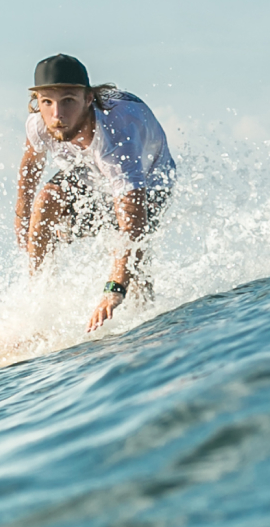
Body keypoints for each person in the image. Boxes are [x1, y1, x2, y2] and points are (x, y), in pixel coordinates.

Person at [15, 53, 177, 331]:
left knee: (131, 254)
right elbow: (30, 169)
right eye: (47, 102)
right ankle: (38, 308)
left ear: (88, 99)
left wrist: (114, 288)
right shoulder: (41, 125)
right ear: (37, 103)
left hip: (151, 181)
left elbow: (132, 227)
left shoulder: (118, 139)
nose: (58, 115)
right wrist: (22, 219)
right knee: (45, 203)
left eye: (68, 101)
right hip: (89, 172)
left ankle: (146, 319)